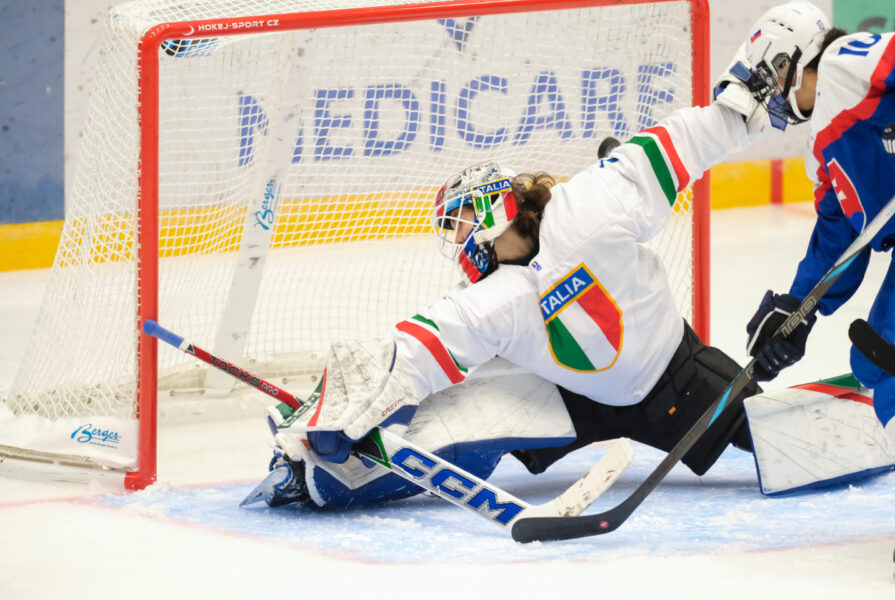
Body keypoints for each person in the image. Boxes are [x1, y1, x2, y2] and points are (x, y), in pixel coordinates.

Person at [240, 95, 781, 513]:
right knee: (449, 432)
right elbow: (415, 351)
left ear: (493, 209)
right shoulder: (489, 301)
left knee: (775, 437)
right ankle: (307, 476)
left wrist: (747, 104)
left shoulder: (589, 208)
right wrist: (339, 413)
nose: (457, 242)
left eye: (459, 225)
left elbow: (678, 143)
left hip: (675, 376)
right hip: (572, 396)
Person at [729, 0, 895, 584]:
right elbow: (840, 238)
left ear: (793, 60)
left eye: (772, 74)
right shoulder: (822, 150)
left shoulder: (843, 64)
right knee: (878, 363)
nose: (770, 92)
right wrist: (796, 310)